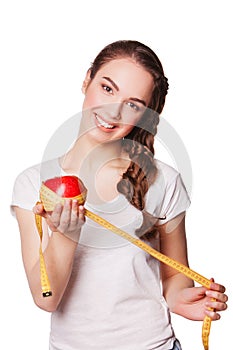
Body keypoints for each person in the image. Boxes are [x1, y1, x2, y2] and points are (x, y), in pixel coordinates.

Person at [11, 40, 228, 350]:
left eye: (133, 104)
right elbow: (46, 299)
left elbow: (174, 276)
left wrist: (182, 300)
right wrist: (67, 235)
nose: (113, 111)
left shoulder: (163, 181)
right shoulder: (33, 183)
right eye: (107, 88)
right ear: (87, 80)